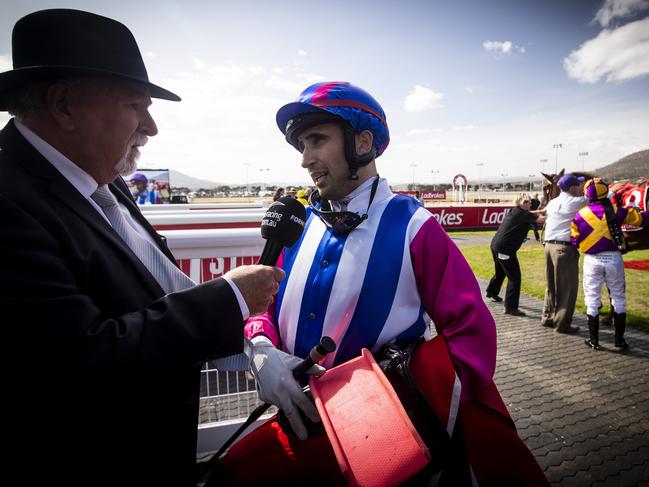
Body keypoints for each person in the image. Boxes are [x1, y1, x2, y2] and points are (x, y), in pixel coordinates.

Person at [0, 9, 284, 485]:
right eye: (136, 105)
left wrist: (260, 348)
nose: (151, 127)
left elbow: (160, 292)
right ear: (63, 104)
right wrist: (229, 297)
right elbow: (85, 360)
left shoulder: (103, 183)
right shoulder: (8, 202)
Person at [221, 82, 547, 485]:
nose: (305, 159)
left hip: (381, 446)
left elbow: (473, 336)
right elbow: (262, 305)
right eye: (301, 145)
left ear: (363, 142)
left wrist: (395, 403)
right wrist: (262, 349)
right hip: (298, 427)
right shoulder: (299, 222)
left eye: (317, 140)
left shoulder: (416, 226)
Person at [571, 178, 649, 351]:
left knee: (592, 300)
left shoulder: (580, 214)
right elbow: (641, 220)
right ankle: (619, 341)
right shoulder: (617, 211)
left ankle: (594, 341)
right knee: (619, 298)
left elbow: (574, 240)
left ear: (587, 195)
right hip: (614, 259)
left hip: (592, 260)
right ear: (606, 192)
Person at [485, 193, 546, 316]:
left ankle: (491, 291)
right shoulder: (523, 214)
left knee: (500, 272)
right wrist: (556, 213)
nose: (531, 203)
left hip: (496, 246)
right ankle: (511, 307)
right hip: (505, 250)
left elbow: (532, 214)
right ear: (523, 203)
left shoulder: (515, 211)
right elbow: (541, 219)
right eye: (529, 201)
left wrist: (542, 209)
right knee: (515, 278)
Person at [540, 174, 586, 333]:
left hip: (548, 246)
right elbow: (600, 196)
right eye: (578, 185)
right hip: (564, 248)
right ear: (572, 187)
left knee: (551, 285)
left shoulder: (553, 202)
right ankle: (562, 323)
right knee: (567, 287)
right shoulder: (574, 202)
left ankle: (548, 317)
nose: (580, 188)